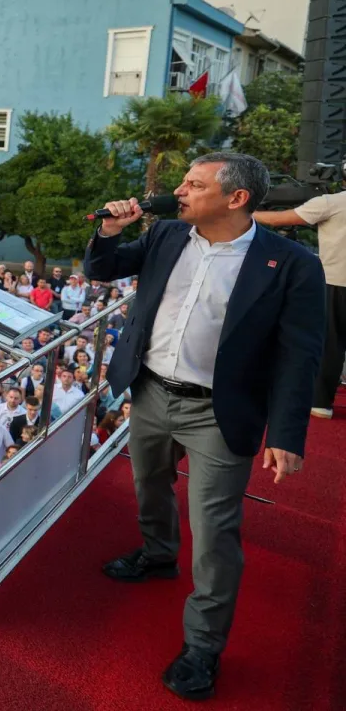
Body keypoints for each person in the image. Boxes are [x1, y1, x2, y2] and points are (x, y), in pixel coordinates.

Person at [87, 153, 325, 700]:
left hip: (220, 411)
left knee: (215, 530)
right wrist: (108, 231)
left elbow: (300, 354)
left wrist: (287, 434)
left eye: (194, 184)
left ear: (236, 198)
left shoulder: (289, 265)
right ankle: (157, 553)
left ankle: (203, 647)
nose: (181, 190)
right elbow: (101, 270)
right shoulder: (167, 235)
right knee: (149, 485)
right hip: (150, 391)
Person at [254, 189, 346, 418]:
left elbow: (279, 220)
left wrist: (250, 213)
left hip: (337, 281)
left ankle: (321, 402)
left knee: (329, 342)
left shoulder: (332, 202)